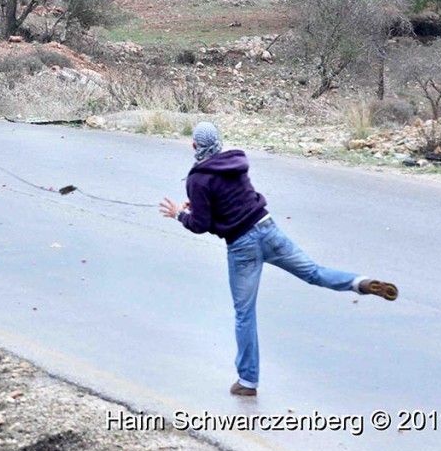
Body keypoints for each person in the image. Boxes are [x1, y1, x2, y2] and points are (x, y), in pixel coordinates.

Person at [159, 122, 398, 397]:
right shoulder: (236, 163)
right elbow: (230, 200)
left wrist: (179, 213)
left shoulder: (198, 179)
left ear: (194, 146)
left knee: (244, 314)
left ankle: (248, 382)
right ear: (219, 142)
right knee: (314, 272)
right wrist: (199, 207)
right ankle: (360, 282)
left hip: (242, 247)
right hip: (268, 229)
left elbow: (201, 225)